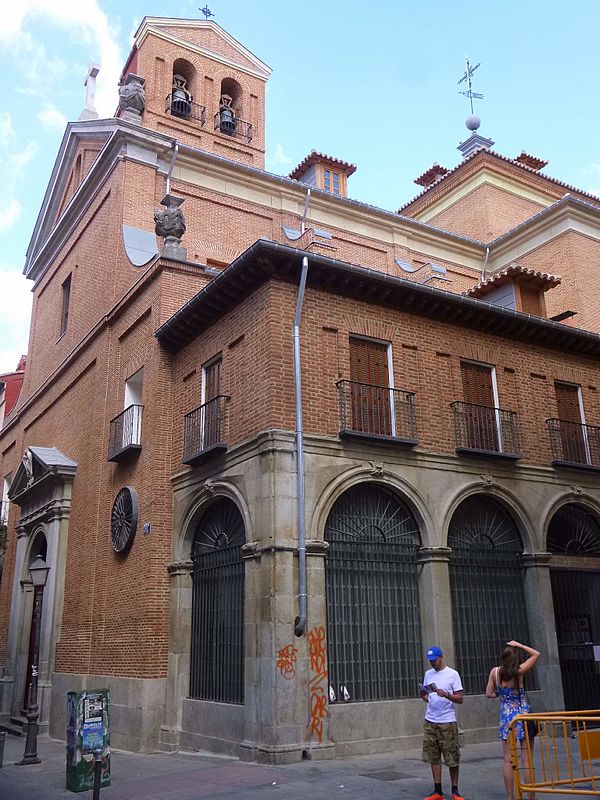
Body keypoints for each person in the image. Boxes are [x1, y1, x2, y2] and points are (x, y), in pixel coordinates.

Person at [485, 639, 540, 800]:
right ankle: (530, 796)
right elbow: (536, 654)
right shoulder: (519, 671)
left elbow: (488, 693)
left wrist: (500, 695)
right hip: (522, 715)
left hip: (506, 716)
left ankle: (510, 796)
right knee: (526, 758)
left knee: (507, 759)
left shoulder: (494, 672)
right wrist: (520, 645)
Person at [420, 645, 465, 800]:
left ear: (441, 657)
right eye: (430, 661)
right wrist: (425, 696)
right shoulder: (428, 674)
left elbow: (460, 699)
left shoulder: (453, 674)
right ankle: (437, 790)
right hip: (430, 720)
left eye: (434, 660)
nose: (432, 663)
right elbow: (424, 693)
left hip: (447, 721)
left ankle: (455, 790)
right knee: (433, 756)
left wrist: (446, 695)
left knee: (452, 756)